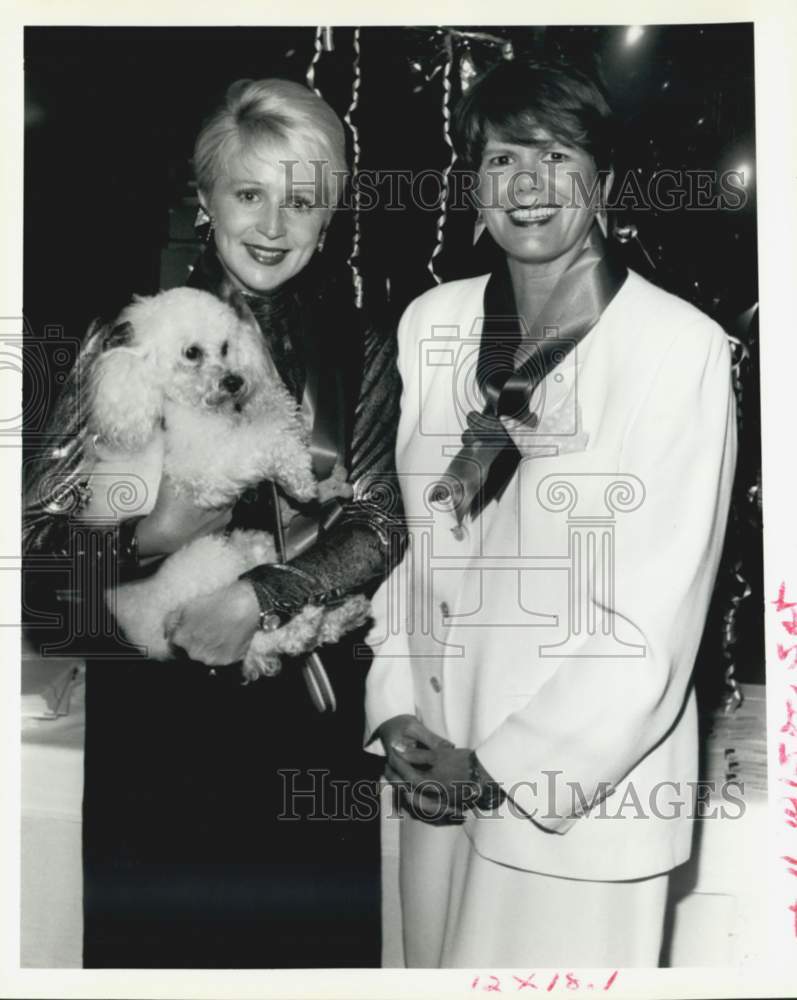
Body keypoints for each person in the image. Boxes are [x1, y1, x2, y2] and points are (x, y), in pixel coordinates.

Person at [364, 59, 737, 968]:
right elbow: (418, 551)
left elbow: (652, 625)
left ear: (602, 182)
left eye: (556, 156)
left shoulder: (676, 348)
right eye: (499, 161)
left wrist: (496, 770)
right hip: (433, 781)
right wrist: (395, 708)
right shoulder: (434, 323)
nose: (526, 187)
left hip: (575, 806)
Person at [23, 78, 402, 968]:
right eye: (248, 192)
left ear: (329, 215)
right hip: (155, 734)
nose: (272, 225)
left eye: (301, 200)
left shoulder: (360, 348)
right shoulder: (125, 339)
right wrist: (147, 534)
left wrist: (260, 595)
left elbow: (380, 522)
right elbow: (44, 559)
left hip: (307, 728)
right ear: (204, 201)